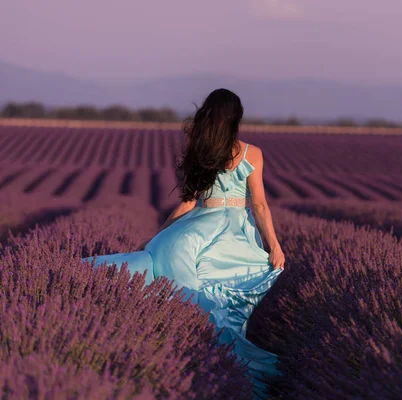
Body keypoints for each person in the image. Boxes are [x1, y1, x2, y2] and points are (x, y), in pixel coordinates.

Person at [82, 88, 286, 399]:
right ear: (235, 119)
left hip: (194, 235)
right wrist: (274, 245)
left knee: (187, 296)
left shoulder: (202, 150)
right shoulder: (252, 153)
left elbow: (189, 203)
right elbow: (259, 205)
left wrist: (159, 236)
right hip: (234, 240)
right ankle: (231, 376)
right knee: (227, 305)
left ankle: (192, 363)